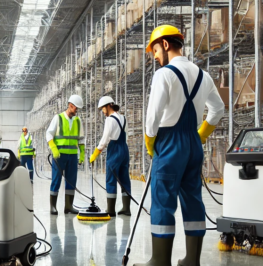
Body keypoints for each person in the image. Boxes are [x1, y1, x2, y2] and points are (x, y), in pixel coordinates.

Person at [136, 25, 224, 266]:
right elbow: (218, 109)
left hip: (169, 143)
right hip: (193, 144)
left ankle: (159, 260)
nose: (154, 56)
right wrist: (202, 134)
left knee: (163, 200)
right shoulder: (203, 76)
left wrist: (150, 140)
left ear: (165, 44)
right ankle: (191, 261)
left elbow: (152, 118)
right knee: (193, 199)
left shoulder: (163, 75)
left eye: (154, 49)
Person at [89, 96, 130, 217]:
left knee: (111, 179)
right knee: (125, 179)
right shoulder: (124, 118)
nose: (102, 111)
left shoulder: (109, 120)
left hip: (115, 149)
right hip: (124, 149)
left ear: (108, 106)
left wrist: (95, 153)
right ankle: (126, 209)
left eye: (103, 109)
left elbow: (105, 139)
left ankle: (111, 210)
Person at [45, 95, 86, 215]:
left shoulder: (78, 121)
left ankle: (68, 206)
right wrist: (53, 148)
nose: (76, 111)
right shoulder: (58, 118)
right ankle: (53, 207)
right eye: (75, 108)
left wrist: (82, 154)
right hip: (59, 156)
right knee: (56, 180)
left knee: (71, 181)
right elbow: (49, 134)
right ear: (70, 105)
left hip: (73, 156)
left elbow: (81, 139)